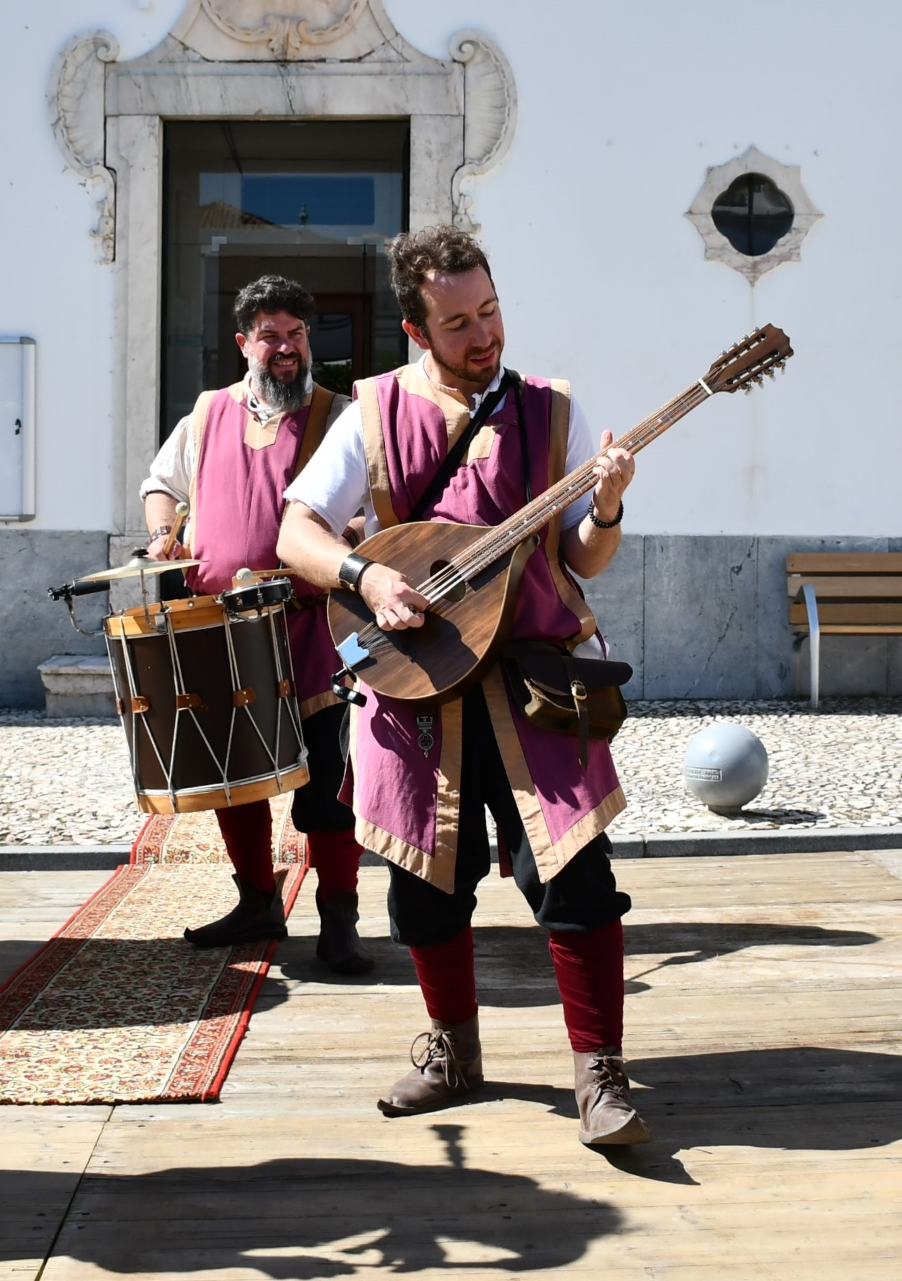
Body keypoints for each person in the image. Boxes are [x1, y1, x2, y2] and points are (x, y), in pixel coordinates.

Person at [277, 227, 649, 1147]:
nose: (483, 336)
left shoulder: (550, 410)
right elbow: (298, 532)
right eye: (457, 323)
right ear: (415, 329)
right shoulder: (370, 413)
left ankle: (598, 1071)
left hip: (532, 677)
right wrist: (365, 579)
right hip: (417, 681)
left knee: (571, 873)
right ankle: (452, 1047)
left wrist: (604, 501)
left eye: (489, 312)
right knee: (422, 882)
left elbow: (584, 560)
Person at [140, 275, 371, 974]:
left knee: (327, 782)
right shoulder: (207, 412)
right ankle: (257, 902)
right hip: (221, 627)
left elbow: (376, 501)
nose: (285, 348)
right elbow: (162, 484)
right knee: (233, 774)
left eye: (296, 334)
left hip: (314, 627)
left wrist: (353, 532)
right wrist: (161, 536)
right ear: (244, 343)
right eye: (269, 335)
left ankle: (339, 919)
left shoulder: (341, 413)